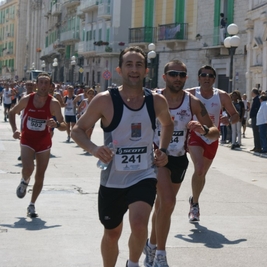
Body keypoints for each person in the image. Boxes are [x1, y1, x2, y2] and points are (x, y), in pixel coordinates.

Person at [71, 46, 174, 267]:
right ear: (119, 69)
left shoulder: (156, 101)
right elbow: (77, 130)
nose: (134, 69)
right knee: (112, 233)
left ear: (146, 70)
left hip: (143, 174)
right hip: (112, 179)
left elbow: (168, 124)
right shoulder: (104, 100)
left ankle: (133, 263)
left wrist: (163, 151)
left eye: (139, 65)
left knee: (139, 224)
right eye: (129, 64)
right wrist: (94, 149)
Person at [145, 60, 219, 267]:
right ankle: (160, 254)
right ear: (164, 76)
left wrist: (202, 130)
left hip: (178, 159)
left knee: (162, 206)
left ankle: (150, 245)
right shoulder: (151, 98)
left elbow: (214, 132)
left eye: (181, 75)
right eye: (173, 74)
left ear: (186, 78)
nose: (177, 78)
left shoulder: (192, 102)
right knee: (167, 202)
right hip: (156, 157)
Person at [8, 72, 67, 217]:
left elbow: (65, 125)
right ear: (36, 85)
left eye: (46, 83)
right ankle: (24, 180)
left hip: (44, 142)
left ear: (50, 86)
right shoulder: (27, 99)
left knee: (40, 175)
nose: (43, 85)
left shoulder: (53, 103)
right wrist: (15, 130)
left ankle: (32, 205)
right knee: (28, 168)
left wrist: (57, 124)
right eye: (40, 82)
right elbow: (12, 112)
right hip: (27, 139)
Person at [186, 65, 239, 223]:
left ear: (214, 79)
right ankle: (195, 206)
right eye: (203, 75)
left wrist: (228, 120)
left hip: (212, 136)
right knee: (199, 167)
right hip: (194, 135)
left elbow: (236, 115)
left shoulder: (222, 96)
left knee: (202, 174)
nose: (206, 78)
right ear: (199, 78)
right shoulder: (189, 94)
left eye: (210, 75)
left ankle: (194, 198)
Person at [249, 88, 261, 152]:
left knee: (256, 132)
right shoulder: (255, 99)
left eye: (252, 92)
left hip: (256, 117)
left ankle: (258, 147)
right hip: (254, 117)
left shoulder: (257, 99)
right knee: (255, 132)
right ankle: (256, 146)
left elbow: (257, 108)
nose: (251, 94)